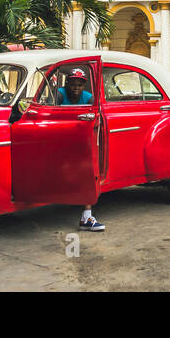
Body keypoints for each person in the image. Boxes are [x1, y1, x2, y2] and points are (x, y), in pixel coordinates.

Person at [56, 68, 103, 232]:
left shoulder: (88, 97)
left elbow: (96, 115)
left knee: (87, 170)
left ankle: (86, 215)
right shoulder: (60, 94)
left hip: (79, 140)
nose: (76, 88)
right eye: (73, 84)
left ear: (84, 85)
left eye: (80, 84)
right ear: (67, 83)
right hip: (60, 140)